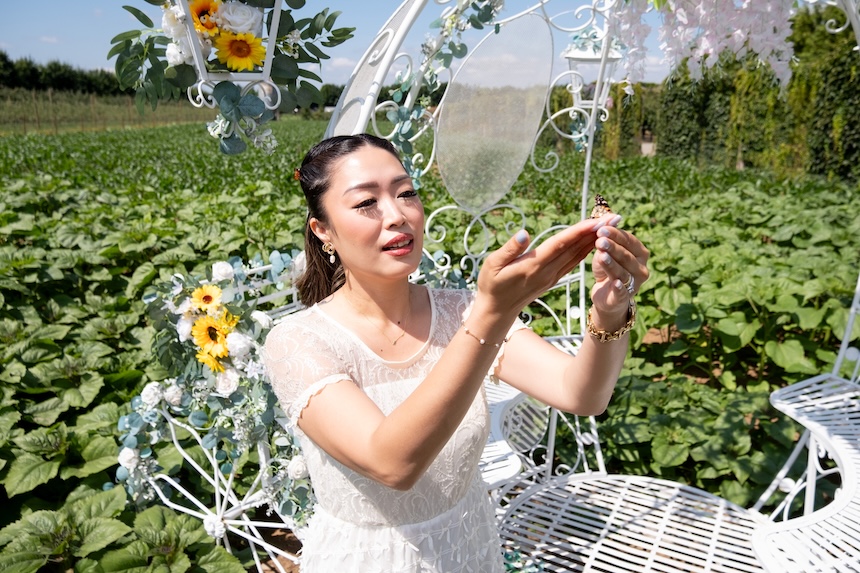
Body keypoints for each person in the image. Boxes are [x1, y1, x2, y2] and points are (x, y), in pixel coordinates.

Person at [262, 133, 649, 572]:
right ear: (323, 231)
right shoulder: (298, 341)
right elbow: (391, 464)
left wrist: (610, 313)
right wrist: (492, 315)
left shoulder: (460, 311)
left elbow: (582, 394)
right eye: (366, 202)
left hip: (469, 547)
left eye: (406, 193)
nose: (397, 215)